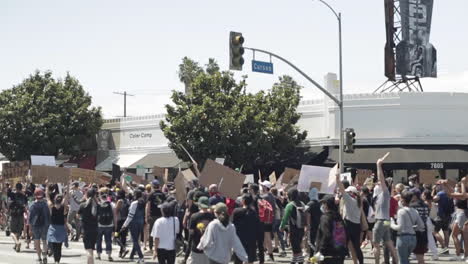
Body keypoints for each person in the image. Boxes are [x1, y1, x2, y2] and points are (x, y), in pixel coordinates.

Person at [372, 153, 398, 264]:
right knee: (389, 242)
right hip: (386, 221)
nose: (377, 183)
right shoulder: (380, 196)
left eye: (378, 183)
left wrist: (378, 165)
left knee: (376, 244)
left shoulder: (385, 192)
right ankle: (396, 261)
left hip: (381, 221)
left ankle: (377, 262)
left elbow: (381, 178)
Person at [336, 174, 364, 264]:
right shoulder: (359, 201)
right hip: (357, 226)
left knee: (342, 246)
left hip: (348, 226)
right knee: (357, 247)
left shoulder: (349, 200)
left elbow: (342, 190)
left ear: (351, 193)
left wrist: (337, 179)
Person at [390, 191, 425, 264]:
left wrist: (391, 224)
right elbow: (421, 226)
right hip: (413, 238)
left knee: (403, 260)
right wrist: (412, 227)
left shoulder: (401, 211)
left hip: (403, 238)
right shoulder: (415, 211)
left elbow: (400, 227)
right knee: (406, 259)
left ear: (402, 200)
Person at [315, 194, 347, 264]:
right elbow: (345, 232)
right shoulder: (338, 216)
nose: (322, 206)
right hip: (340, 252)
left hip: (328, 254)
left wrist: (320, 251)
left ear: (326, 204)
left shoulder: (325, 217)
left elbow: (326, 235)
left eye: (323, 203)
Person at [280, 188, 307, 264]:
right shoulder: (302, 204)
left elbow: (285, 218)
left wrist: (281, 227)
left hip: (294, 229)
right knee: (297, 246)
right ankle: (293, 261)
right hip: (301, 228)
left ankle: (300, 261)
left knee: (296, 247)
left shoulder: (290, 205)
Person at [232, 194, 261, 264]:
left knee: (238, 260)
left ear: (243, 201)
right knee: (250, 259)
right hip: (251, 239)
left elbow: (233, 224)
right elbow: (257, 227)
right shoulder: (254, 213)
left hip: (239, 238)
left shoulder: (236, 211)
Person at [121, 189, 146, 263]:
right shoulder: (143, 202)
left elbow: (130, 216)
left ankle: (141, 257)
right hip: (140, 222)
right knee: (136, 239)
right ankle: (131, 256)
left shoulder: (134, 203)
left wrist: (124, 225)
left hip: (133, 223)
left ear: (135, 195)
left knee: (135, 240)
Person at [188, 196, 214, 264]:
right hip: (209, 248)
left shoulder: (194, 216)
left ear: (199, 205)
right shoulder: (212, 216)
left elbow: (191, 232)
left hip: (196, 246)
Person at [29, 188, 51, 264]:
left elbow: (30, 217)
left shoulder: (32, 205)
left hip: (35, 225)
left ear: (35, 195)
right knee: (44, 241)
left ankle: (39, 258)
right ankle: (45, 256)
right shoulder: (45, 204)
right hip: (45, 225)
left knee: (37, 242)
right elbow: (48, 215)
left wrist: (30, 229)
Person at [78, 188, 99, 264]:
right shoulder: (98, 206)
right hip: (95, 230)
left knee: (89, 251)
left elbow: (78, 216)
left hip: (86, 230)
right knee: (91, 251)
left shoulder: (83, 205)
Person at [47, 192, 68, 264]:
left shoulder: (51, 207)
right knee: (59, 247)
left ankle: (55, 258)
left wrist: (47, 186)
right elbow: (66, 198)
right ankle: (57, 261)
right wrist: (67, 186)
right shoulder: (63, 208)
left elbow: (47, 197)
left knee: (54, 246)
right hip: (61, 229)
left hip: (53, 228)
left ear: (55, 200)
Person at [409, 189, 429, 264]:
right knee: (421, 256)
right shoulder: (426, 205)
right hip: (424, 230)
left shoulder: (412, 206)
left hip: (414, 231)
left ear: (414, 196)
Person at [146, 180, 166, 252]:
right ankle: (160, 246)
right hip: (161, 215)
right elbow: (164, 205)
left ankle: (151, 247)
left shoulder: (151, 194)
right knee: (160, 231)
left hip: (152, 215)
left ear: (153, 186)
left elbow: (148, 205)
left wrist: (147, 215)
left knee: (151, 231)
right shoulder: (163, 194)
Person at [95, 189, 115, 261]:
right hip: (109, 225)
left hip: (100, 225)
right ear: (107, 196)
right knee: (108, 241)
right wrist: (114, 227)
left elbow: (95, 215)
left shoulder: (98, 205)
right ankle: (109, 255)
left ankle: (98, 255)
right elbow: (114, 216)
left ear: (100, 196)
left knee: (98, 240)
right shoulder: (111, 204)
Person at [432, 183, 451, 253]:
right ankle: (446, 248)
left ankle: (444, 246)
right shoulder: (449, 193)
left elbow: (433, 199)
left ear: (442, 185)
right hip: (448, 215)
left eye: (438, 185)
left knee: (434, 231)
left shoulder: (441, 193)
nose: (437, 186)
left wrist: (433, 190)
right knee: (446, 232)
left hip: (441, 215)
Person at [8, 182, 28, 252]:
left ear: (16, 188)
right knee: (19, 231)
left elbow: (6, 192)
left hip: (14, 214)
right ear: (21, 188)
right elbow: (25, 206)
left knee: (12, 232)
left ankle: (17, 242)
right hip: (21, 215)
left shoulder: (13, 195)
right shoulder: (24, 196)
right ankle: (16, 245)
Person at [259, 180, 276, 261]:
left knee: (267, 237)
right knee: (266, 237)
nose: (261, 187)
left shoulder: (265, 196)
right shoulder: (271, 196)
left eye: (262, 186)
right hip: (269, 219)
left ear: (266, 187)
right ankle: (268, 253)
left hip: (265, 219)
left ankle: (269, 254)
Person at [306, 187, 321, 258]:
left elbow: (308, 215)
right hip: (318, 225)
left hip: (311, 225)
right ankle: (316, 256)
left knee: (311, 241)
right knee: (317, 240)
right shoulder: (319, 204)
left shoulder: (309, 204)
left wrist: (308, 225)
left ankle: (311, 256)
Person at [115, 189, 130, 258]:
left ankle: (123, 248)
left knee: (116, 236)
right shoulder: (127, 201)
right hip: (126, 221)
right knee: (123, 237)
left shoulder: (119, 201)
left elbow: (116, 211)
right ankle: (121, 252)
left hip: (119, 221)